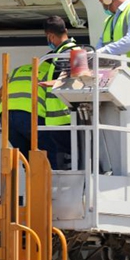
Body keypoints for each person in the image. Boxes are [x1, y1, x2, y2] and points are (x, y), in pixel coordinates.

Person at [0, 57, 60, 168]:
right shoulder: (51, 72)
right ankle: (53, 184)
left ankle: (32, 184)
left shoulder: (17, 70)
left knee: (28, 161)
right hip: (30, 116)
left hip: (5, 118)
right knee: (50, 154)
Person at [41, 16, 80, 169]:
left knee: (68, 162)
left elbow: (78, 79)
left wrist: (52, 83)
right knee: (64, 161)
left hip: (64, 117)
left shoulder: (69, 52)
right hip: (60, 119)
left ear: (50, 35)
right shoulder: (63, 52)